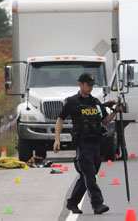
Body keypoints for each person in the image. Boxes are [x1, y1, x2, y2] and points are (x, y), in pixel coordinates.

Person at [53, 73, 119, 215]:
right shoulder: (72, 101)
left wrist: (115, 111)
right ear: (81, 84)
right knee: (89, 175)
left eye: (91, 85)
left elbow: (105, 121)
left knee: (88, 175)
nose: (90, 87)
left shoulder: (95, 102)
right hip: (82, 144)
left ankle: (72, 203)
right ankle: (98, 204)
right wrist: (57, 139)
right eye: (88, 84)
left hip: (96, 143)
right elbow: (60, 119)